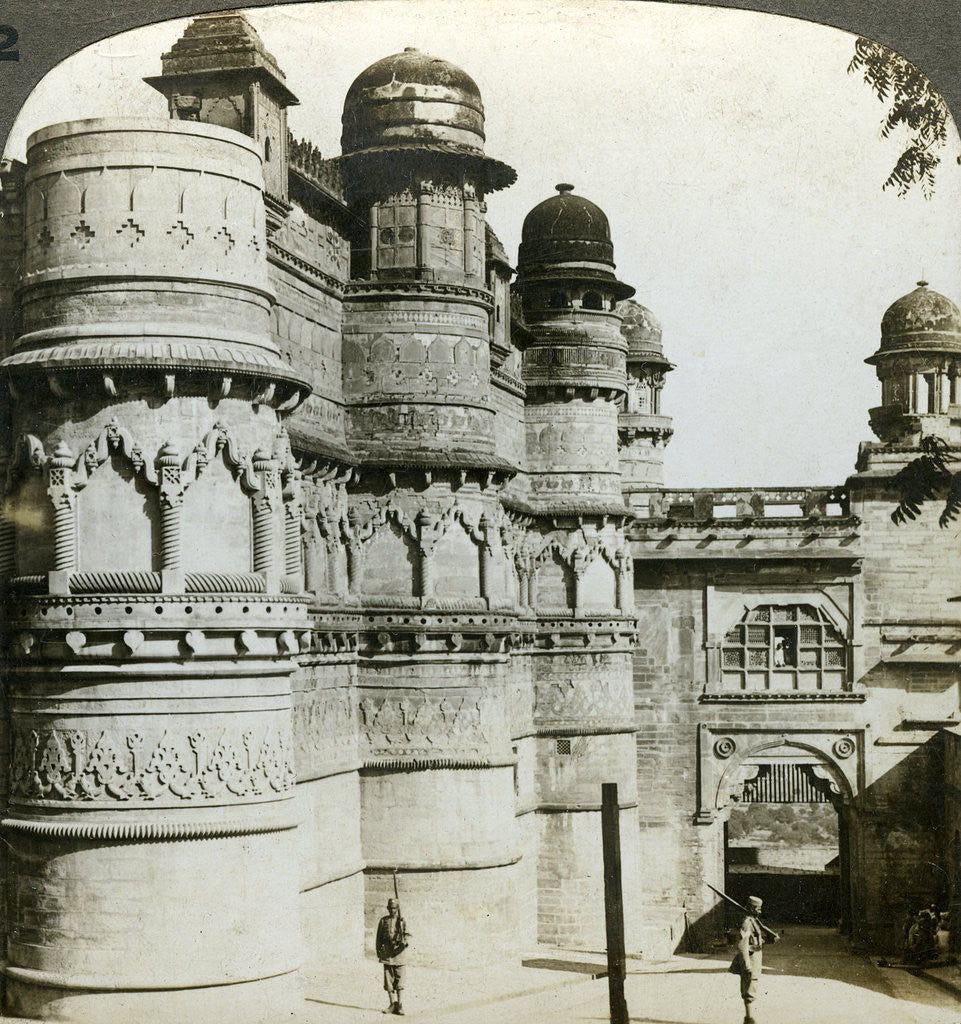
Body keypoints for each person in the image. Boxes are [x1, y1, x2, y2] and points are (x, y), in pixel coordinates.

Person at [733, 895, 778, 1024]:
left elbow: (756, 941)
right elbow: (743, 944)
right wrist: (746, 963)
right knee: (748, 989)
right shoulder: (747, 923)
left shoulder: (754, 921)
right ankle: (749, 1019)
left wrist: (769, 940)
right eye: (758, 909)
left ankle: (749, 1018)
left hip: (756, 958)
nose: (760, 911)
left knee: (752, 986)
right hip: (751, 959)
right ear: (752, 908)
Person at [376, 897, 409, 1015]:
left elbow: (408, 935)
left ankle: (399, 1005)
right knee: (388, 980)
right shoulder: (383, 921)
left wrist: (403, 941)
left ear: (398, 908)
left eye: (394, 908)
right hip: (387, 954)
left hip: (399, 954)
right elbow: (378, 937)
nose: (392, 910)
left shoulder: (402, 921)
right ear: (387, 908)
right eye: (390, 908)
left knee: (400, 980)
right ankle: (392, 1004)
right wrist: (378, 951)